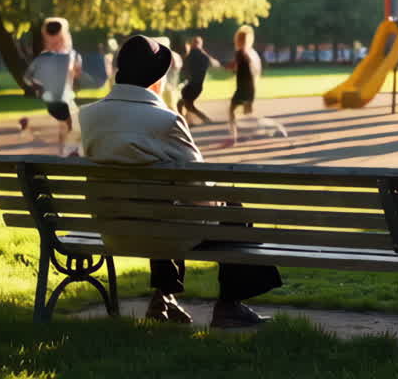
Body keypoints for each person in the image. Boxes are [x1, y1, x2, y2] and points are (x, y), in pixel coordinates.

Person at [79, 35, 281, 327]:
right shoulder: (166, 121)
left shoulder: (88, 116)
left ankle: (163, 298)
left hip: (113, 229)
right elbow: (197, 188)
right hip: (162, 229)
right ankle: (229, 305)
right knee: (228, 207)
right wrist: (222, 200)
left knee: (157, 204)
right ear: (157, 80)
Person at [22, 18, 83, 156]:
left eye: (58, 41)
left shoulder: (69, 55)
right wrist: (38, 86)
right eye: (52, 42)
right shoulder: (46, 58)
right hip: (57, 101)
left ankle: (64, 152)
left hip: (63, 99)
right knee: (75, 124)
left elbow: (75, 72)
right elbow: (28, 78)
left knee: (67, 126)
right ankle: (70, 151)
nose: (56, 45)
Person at [225, 26, 261, 148]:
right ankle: (252, 133)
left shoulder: (240, 52)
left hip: (242, 87)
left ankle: (234, 137)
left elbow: (234, 66)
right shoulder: (251, 52)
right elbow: (254, 69)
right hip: (250, 87)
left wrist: (226, 67)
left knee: (232, 110)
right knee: (247, 111)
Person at [177, 36, 218, 126]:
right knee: (187, 104)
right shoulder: (203, 56)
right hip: (196, 86)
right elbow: (214, 64)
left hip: (193, 85)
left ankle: (189, 121)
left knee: (183, 104)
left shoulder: (192, 55)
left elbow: (185, 68)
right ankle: (196, 120)